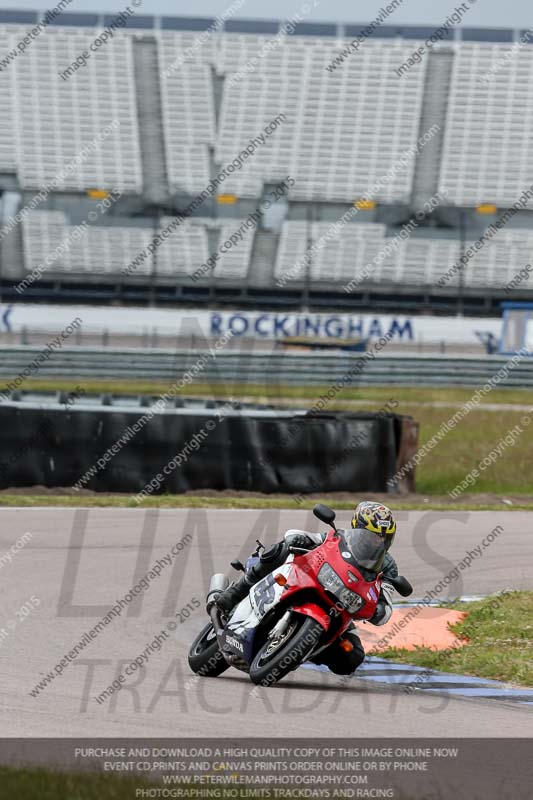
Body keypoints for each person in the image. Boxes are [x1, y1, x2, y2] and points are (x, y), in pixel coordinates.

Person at [216, 501, 399, 675]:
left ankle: (302, 649)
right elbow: (310, 537)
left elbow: (387, 602)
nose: (379, 540)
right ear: (357, 527)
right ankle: (236, 592)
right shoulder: (340, 537)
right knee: (281, 549)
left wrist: (380, 611)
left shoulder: (389, 566)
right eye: (373, 534)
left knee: (352, 657)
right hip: (310, 581)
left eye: (384, 536)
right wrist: (299, 539)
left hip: (341, 610)